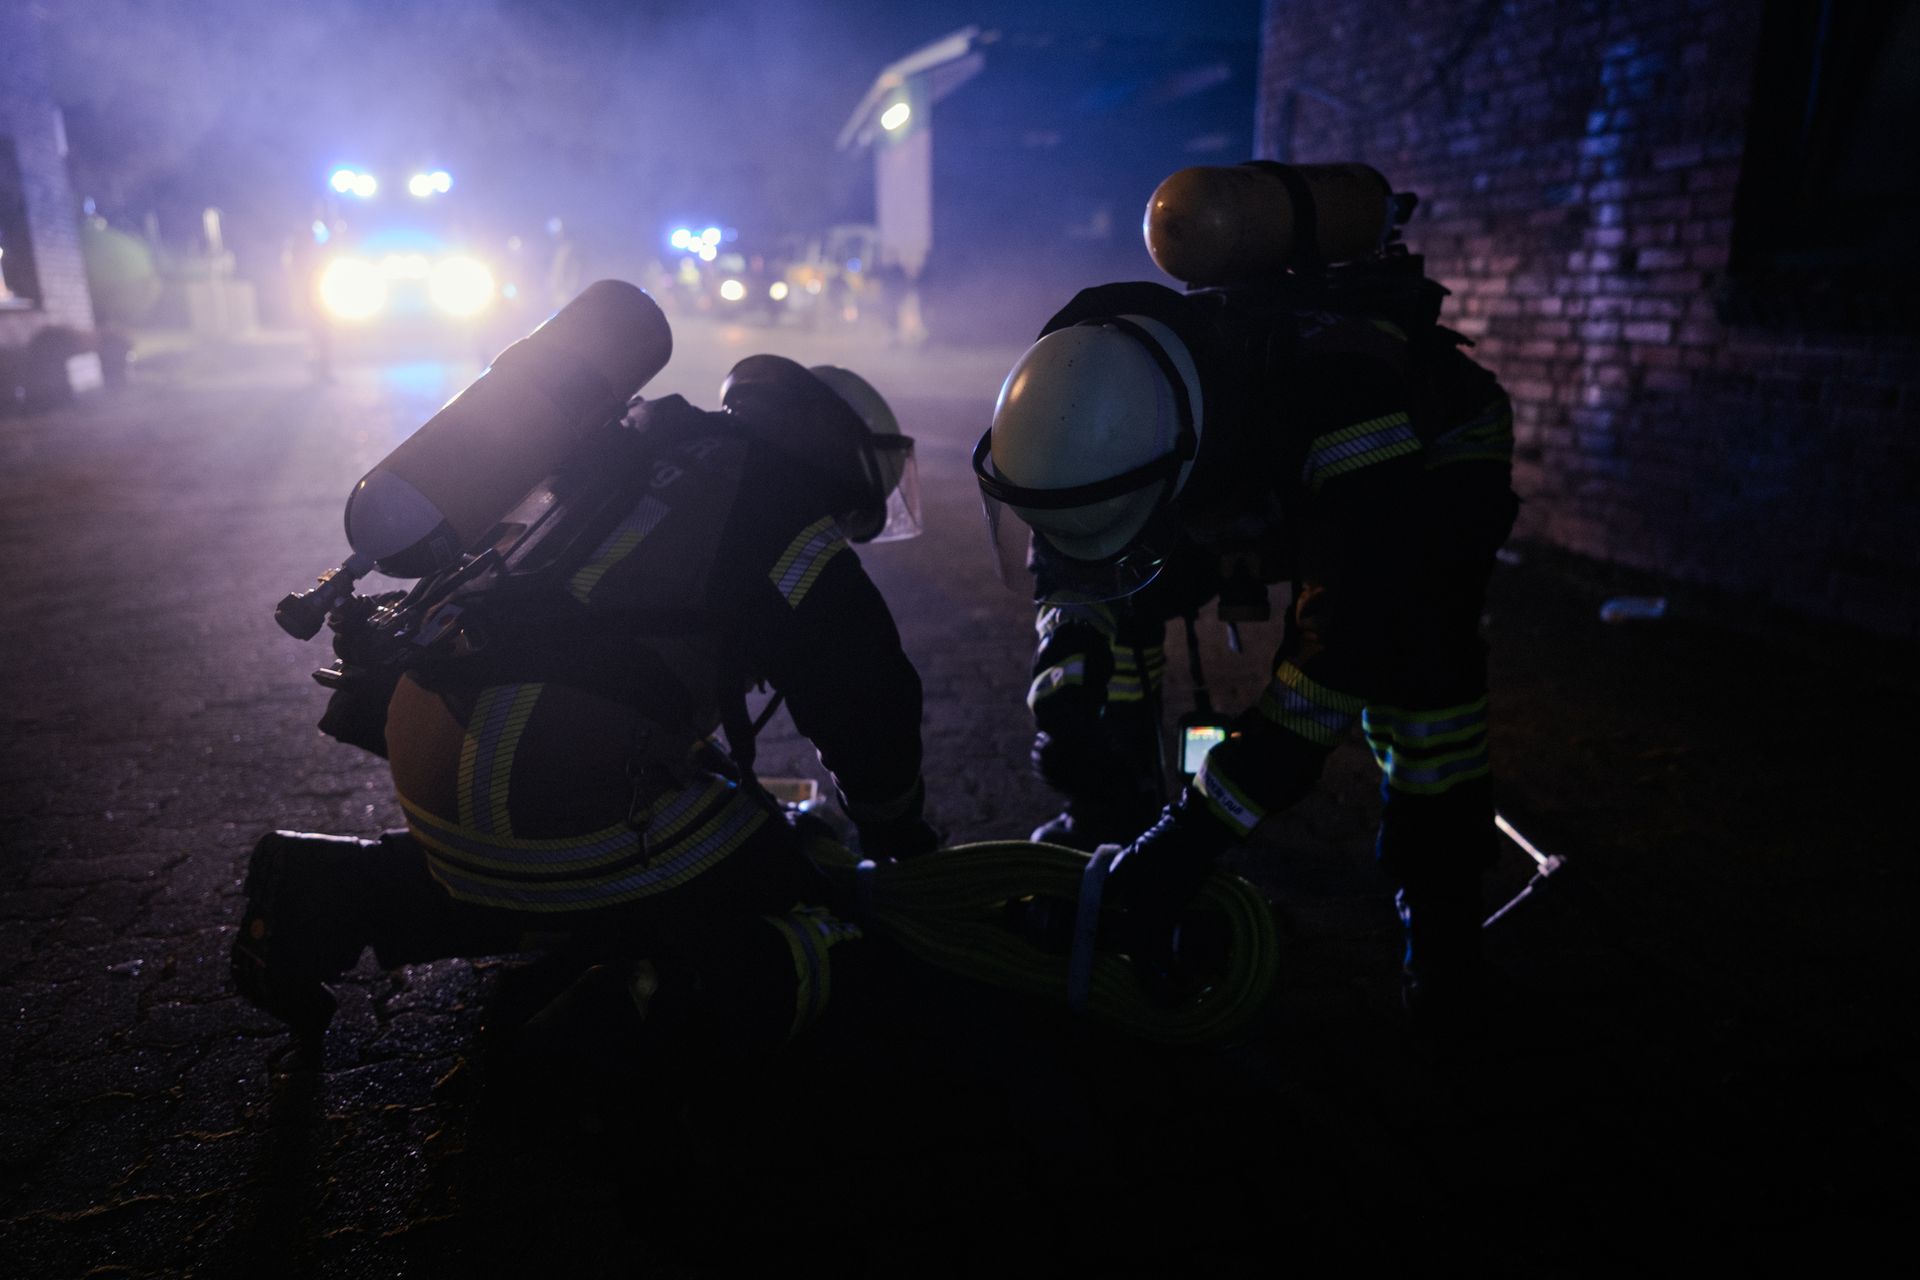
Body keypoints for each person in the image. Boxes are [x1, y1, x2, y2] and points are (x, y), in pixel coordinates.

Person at [232, 353, 938, 1061]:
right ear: (835, 451)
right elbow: (866, 700)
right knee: (811, 904)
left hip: (430, 738)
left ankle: (334, 888)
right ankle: (632, 1015)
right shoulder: (784, 515)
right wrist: (897, 834)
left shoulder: (635, 442)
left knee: (570, 876)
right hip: (544, 780)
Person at [973, 211, 1520, 1016]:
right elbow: (1075, 556)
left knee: (1423, 677)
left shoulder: (1339, 402)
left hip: (1429, 461)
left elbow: (1349, 642)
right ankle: (1110, 815)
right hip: (1249, 470)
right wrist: (1070, 693)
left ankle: (1440, 926)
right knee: (1124, 614)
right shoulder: (1093, 396)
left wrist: (1201, 828)